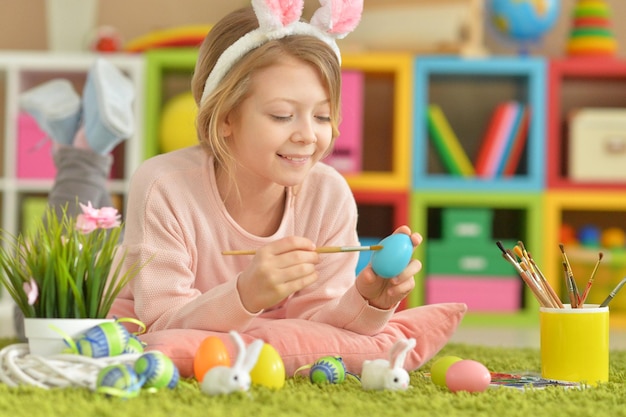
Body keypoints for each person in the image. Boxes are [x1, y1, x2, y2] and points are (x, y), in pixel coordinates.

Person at [109, 0, 465, 378]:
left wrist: (368, 301)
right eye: (282, 115)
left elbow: (318, 325)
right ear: (226, 116)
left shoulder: (328, 195)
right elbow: (163, 322)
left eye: (323, 116)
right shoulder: (164, 186)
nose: (308, 136)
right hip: (150, 321)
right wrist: (246, 295)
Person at [14, 58, 135, 339]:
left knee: (37, 316)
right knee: (43, 315)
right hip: (100, 316)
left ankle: (73, 140)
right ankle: (82, 145)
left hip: (115, 303)